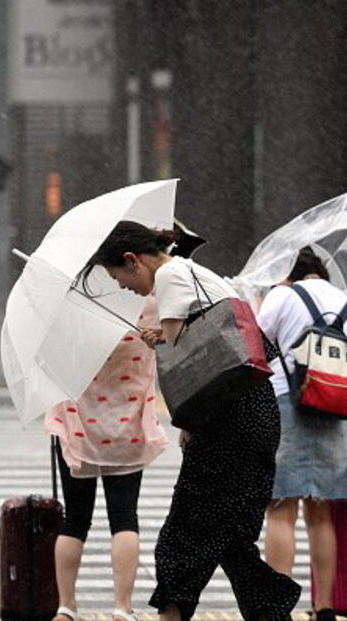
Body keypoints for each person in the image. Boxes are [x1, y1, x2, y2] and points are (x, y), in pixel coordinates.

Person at [85, 221, 301, 621]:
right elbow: (204, 355)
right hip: (254, 413)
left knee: (185, 534)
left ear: (133, 260)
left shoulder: (169, 275)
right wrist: (163, 341)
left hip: (229, 423)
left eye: (120, 277)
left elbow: (185, 360)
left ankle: (173, 614)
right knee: (232, 538)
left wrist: (164, 347)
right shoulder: (196, 272)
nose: (125, 287)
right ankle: (271, 613)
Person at [256, 248, 347, 621]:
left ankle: (277, 609)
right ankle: (324, 607)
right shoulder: (345, 302)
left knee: (281, 508)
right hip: (335, 407)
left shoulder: (282, 295)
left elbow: (257, 342)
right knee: (321, 511)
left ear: (288, 271)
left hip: (287, 404)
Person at [47, 295, 169, 621]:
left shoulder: (74, 303)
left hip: (76, 424)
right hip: (127, 425)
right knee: (125, 517)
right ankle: (121, 607)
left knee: (75, 518)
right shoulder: (151, 304)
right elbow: (171, 341)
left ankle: (66, 607)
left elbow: (52, 360)